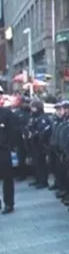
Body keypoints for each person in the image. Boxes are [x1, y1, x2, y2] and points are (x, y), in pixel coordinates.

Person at [0, 85, 16, 214]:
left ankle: (9, 204)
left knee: (7, 179)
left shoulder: (7, 113)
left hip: (3, 151)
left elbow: (13, 132)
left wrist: (10, 146)